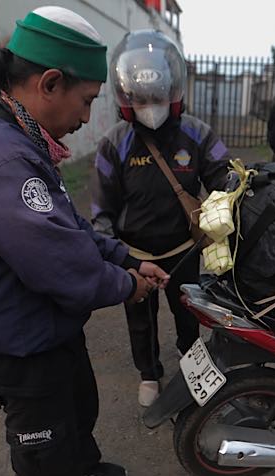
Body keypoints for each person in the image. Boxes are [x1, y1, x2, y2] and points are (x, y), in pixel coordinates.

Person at [0, 7, 169, 476]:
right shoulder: (4, 161)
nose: (86, 118)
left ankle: (80, 462)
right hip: (21, 347)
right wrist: (129, 284)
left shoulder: (20, 139)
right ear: (50, 83)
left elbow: (68, 227)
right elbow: (63, 267)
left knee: (79, 408)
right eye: (85, 102)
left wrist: (123, 255)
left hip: (46, 329)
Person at [91, 30, 230, 407]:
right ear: (126, 99)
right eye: (140, 100)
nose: (149, 106)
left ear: (173, 94)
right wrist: (114, 257)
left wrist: (231, 198)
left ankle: (190, 366)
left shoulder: (196, 134)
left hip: (184, 248)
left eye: (156, 98)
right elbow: (101, 209)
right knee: (141, 320)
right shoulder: (113, 143)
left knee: (188, 314)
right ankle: (149, 373)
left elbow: (224, 179)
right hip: (135, 255)